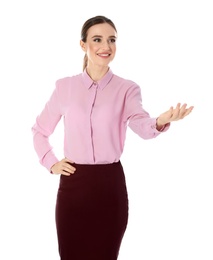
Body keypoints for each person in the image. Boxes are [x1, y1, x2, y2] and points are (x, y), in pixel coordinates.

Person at [31, 15, 194, 260]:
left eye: (112, 40)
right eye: (97, 39)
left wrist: (160, 121)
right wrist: (51, 162)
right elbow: (39, 131)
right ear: (83, 45)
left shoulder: (127, 89)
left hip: (110, 186)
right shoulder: (64, 87)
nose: (106, 47)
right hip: (73, 187)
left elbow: (140, 124)